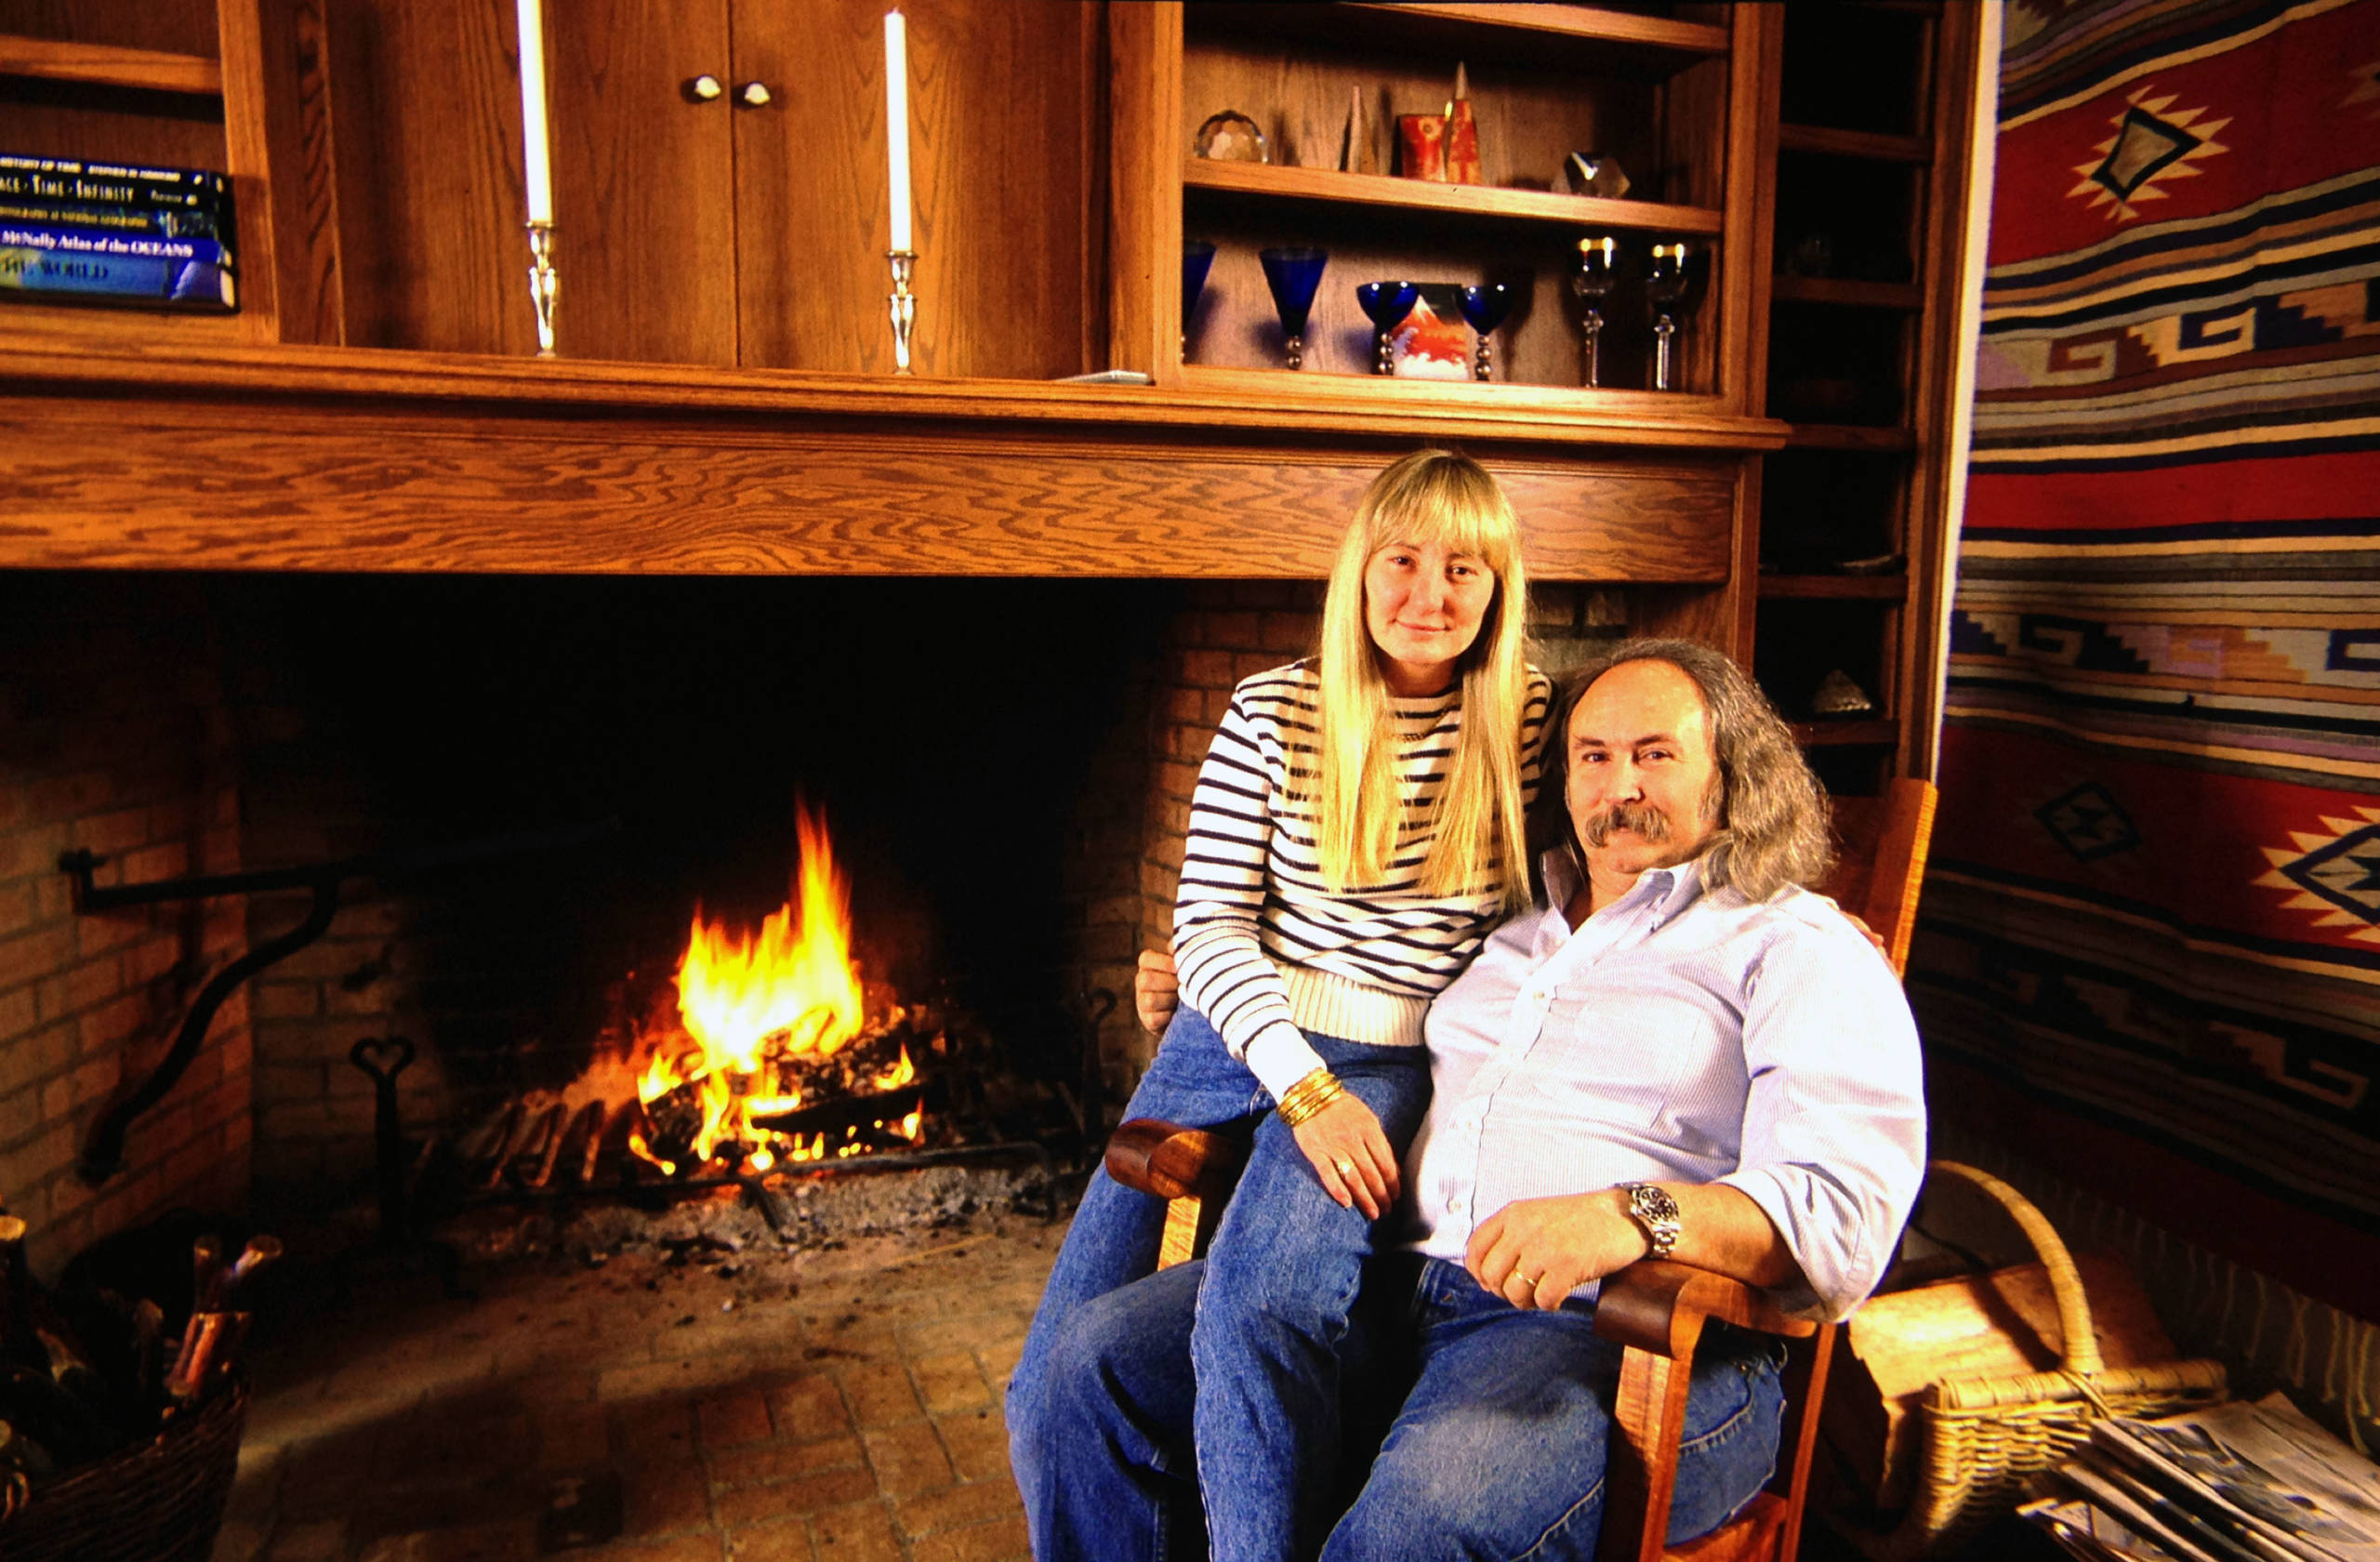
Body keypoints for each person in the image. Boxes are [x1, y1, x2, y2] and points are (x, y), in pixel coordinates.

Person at [1029, 639, 1928, 1562]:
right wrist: (1198, 989)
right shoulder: (1508, 930)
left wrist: (1633, 1216)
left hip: (1611, 1340)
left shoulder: (1797, 948)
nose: (1620, 785)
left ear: (1731, 773)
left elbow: (1846, 1213)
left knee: (1414, 1528)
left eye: (1656, 754)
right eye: (1594, 756)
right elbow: (1356, 984)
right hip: (1379, 1288)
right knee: (1093, 1367)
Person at [1008, 451, 1554, 1562]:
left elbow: (1546, 923)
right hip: (1238, 1041)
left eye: (1463, 569)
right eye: (1401, 561)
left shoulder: (1530, 719)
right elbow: (1206, 927)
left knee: (1266, 1308)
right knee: (1050, 1378)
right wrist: (1294, 1084)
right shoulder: (1271, 710)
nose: (1428, 596)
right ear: (1359, 571)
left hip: (1392, 1065)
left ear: (1500, 588)